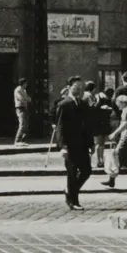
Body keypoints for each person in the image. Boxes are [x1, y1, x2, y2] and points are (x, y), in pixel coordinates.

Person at [50, 81, 95, 209]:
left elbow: (87, 125)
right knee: (72, 173)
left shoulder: (82, 103)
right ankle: (73, 202)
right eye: (75, 87)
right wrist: (62, 146)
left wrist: (91, 143)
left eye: (80, 87)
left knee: (86, 170)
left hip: (82, 144)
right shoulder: (64, 104)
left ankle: (70, 191)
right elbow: (60, 127)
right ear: (69, 88)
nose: (78, 89)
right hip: (70, 145)